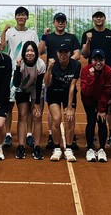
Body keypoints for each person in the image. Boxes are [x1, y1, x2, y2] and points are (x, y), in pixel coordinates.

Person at [81, 10, 111, 150]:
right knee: (92, 108)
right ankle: (91, 136)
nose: (99, 19)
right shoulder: (87, 34)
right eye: (96, 17)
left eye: (101, 16)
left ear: (104, 18)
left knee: (110, 107)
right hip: (93, 75)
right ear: (93, 19)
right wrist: (88, 41)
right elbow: (85, 54)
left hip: (108, 75)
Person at [40, 12, 80, 150]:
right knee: (54, 113)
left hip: (67, 75)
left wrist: (66, 63)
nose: (60, 23)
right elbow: (40, 51)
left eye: (63, 20)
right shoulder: (49, 37)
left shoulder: (71, 37)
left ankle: (71, 138)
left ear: (66, 23)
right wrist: (44, 36)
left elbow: (77, 53)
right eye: (58, 20)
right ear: (54, 22)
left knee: (70, 112)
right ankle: (52, 135)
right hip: (53, 77)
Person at [3, 6, 39, 150]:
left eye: (23, 15)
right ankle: (7, 134)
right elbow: (2, 47)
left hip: (28, 73)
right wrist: (3, 31)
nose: (21, 17)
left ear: (27, 17)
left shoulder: (32, 33)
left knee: (28, 106)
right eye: (18, 15)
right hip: (13, 73)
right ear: (15, 17)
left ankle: (29, 134)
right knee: (9, 105)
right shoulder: (10, 32)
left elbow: (36, 51)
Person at [44, 43, 81, 162]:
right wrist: (49, 68)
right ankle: (57, 148)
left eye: (66, 52)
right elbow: (47, 83)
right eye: (61, 52)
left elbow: (72, 86)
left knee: (70, 119)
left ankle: (69, 148)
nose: (63, 55)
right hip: (54, 93)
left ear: (70, 53)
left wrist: (69, 108)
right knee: (56, 119)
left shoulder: (76, 65)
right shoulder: (52, 64)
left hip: (68, 94)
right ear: (57, 53)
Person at [12, 40, 46, 160]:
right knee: (22, 115)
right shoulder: (19, 63)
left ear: (36, 52)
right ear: (23, 53)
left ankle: (37, 147)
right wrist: (17, 67)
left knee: (37, 116)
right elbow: (16, 83)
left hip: (36, 88)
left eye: (32, 50)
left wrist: (36, 103)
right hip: (22, 88)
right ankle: (21, 146)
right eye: (27, 51)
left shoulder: (40, 64)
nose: (30, 53)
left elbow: (39, 84)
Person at [80, 48, 111, 162]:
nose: (98, 63)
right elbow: (86, 92)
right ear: (91, 60)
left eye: (101, 60)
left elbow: (106, 92)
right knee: (91, 121)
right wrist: (91, 77)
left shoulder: (108, 71)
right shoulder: (86, 70)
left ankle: (102, 149)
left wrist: (101, 109)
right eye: (95, 60)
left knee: (102, 121)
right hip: (88, 100)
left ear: (105, 60)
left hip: (102, 99)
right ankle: (90, 148)